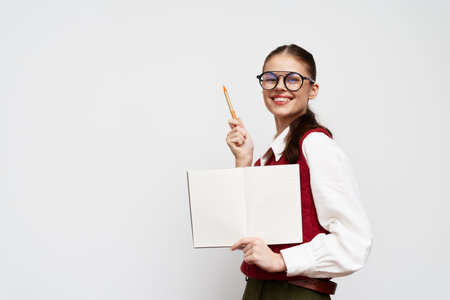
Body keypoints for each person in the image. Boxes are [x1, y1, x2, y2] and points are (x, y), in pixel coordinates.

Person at [225, 44, 372, 299]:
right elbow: (242, 232)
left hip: (295, 294)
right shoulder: (271, 157)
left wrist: (282, 261)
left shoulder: (316, 145)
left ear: (312, 90)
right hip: (257, 290)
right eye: (270, 79)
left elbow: (354, 243)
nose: (279, 86)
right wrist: (244, 160)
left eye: (293, 79)